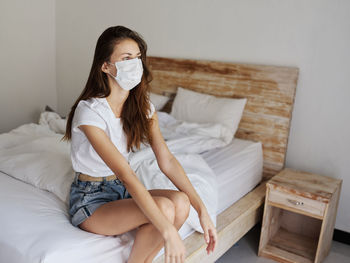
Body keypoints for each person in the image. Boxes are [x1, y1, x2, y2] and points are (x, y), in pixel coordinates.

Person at [62, 25, 217, 263]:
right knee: (164, 209)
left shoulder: (143, 107)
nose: (135, 64)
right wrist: (168, 231)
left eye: (138, 57)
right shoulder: (90, 112)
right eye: (126, 58)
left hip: (120, 193)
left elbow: (166, 160)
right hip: (90, 199)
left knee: (181, 201)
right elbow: (125, 173)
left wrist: (202, 210)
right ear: (105, 66)